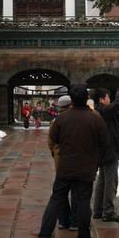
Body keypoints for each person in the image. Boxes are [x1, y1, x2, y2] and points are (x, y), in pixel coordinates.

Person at [34, 85, 107, 238]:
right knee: (82, 201)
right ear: (86, 98)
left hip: (65, 166)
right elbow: (104, 142)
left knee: (56, 199)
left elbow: (55, 139)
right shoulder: (95, 118)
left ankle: (44, 234)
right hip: (86, 167)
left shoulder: (62, 119)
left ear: (71, 99)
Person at [92, 88, 119, 222]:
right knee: (110, 182)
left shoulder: (102, 111)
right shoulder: (101, 110)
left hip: (105, 151)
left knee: (102, 181)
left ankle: (98, 210)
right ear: (102, 99)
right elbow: (115, 105)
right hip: (109, 151)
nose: (109, 100)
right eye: (108, 97)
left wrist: (117, 114)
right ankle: (108, 211)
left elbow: (113, 122)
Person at [47, 95, 74, 230]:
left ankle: (63, 220)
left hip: (60, 160)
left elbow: (50, 142)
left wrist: (55, 153)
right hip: (76, 160)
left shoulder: (55, 121)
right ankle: (75, 221)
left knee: (60, 192)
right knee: (77, 190)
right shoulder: (77, 119)